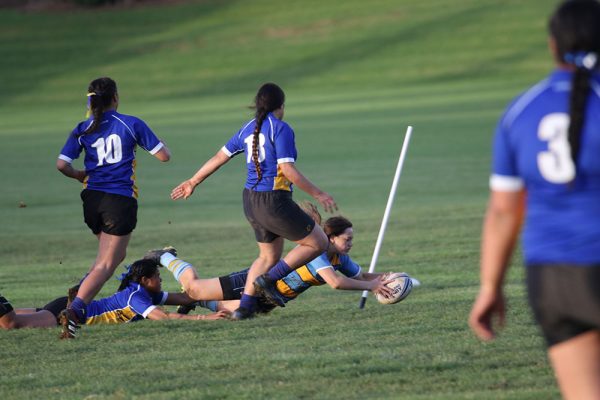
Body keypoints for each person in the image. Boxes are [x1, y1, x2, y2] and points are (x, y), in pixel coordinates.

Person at [469, 1, 600, 398]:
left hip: (552, 279)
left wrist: (490, 286)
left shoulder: (520, 111)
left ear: (552, 45)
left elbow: (504, 212)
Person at [171, 83, 337, 320]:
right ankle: (268, 280)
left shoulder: (247, 129)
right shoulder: (281, 128)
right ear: (281, 106)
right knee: (318, 242)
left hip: (250, 201)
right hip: (274, 201)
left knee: (268, 256)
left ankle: (245, 307)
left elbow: (220, 157)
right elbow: (287, 169)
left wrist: (193, 181)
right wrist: (319, 194)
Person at [56, 77, 172, 338]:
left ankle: (82, 289)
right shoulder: (130, 123)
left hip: (92, 200)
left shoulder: (83, 127)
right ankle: (75, 311)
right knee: (107, 264)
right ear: (116, 98)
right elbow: (164, 156)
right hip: (118, 201)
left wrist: (78, 175)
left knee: (111, 258)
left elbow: (62, 164)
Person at [146, 213, 399, 315]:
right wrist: (374, 285)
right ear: (330, 238)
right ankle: (164, 255)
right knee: (193, 290)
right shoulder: (318, 253)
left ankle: (164, 301)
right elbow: (336, 282)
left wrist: (385, 278)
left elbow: (362, 275)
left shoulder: (339, 258)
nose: (351, 243)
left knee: (228, 315)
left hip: (268, 299)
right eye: (348, 239)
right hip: (251, 283)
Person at [0, 260, 228, 334]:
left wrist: (214, 297)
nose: (161, 280)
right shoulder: (137, 298)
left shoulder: (147, 292)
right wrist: (206, 319)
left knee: (21, 319)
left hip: (66, 305)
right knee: (12, 324)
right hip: (71, 313)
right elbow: (166, 318)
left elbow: (185, 298)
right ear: (145, 280)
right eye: (157, 276)